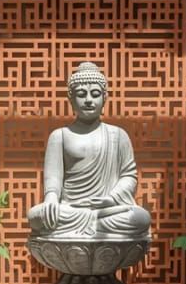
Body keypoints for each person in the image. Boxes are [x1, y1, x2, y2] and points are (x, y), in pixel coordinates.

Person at [28, 62, 151, 240]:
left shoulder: (118, 135)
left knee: (141, 218)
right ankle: (93, 225)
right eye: (81, 94)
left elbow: (129, 176)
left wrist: (111, 199)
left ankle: (91, 224)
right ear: (71, 98)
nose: (88, 100)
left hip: (108, 208)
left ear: (104, 97)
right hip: (71, 209)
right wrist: (51, 199)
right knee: (35, 216)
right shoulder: (60, 136)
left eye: (95, 94)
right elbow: (53, 178)